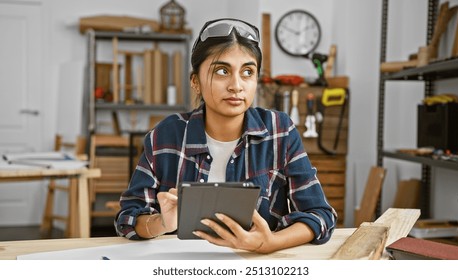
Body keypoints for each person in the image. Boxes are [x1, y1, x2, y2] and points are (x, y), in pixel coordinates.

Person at [115, 18, 337, 253]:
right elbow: (128, 218)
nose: (236, 85)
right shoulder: (165, 135)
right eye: (222, 71)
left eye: (247, 72)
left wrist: (271, 243)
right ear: (195, 81)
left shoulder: (280, 130)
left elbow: (320, 215)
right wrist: (161, 223)